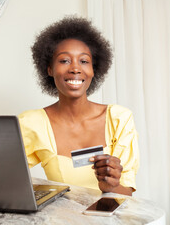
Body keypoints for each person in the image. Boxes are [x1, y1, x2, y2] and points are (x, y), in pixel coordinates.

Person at [18, 16, 139, 196]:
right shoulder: (31, 123)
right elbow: (3, 175)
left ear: (93, 70)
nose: (75, 68)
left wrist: (111, 187)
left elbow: (127, 193)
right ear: (49, 69)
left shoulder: (119, 119)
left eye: (83, 61)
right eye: (64, 60)